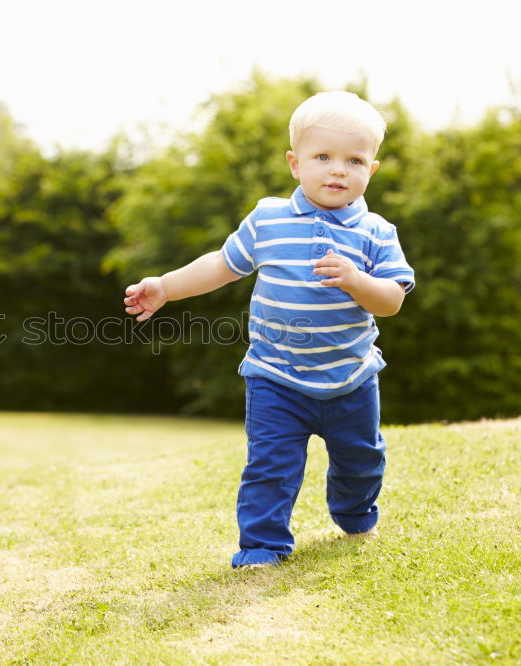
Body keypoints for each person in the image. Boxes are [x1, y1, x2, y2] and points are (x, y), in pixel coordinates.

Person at [123, 91, 415, 569]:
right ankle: (261, 545)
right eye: (323, 157)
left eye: (354, 160)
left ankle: (356, 514)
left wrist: (357, 280)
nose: (338, 170)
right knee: (270, 467)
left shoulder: (377, 232)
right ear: (295, 163)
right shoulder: (269, 218)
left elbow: (393, 300)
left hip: (351, 378)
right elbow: (221, 264)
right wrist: (166, 287)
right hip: (275, 376)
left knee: (362, 459)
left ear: (372, 169)